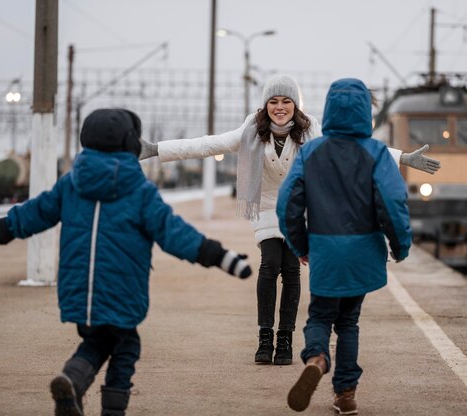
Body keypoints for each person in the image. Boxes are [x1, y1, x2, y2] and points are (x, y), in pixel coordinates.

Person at [0, 108, 252, 416]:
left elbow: (27, 217)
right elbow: (176, 235)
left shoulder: (70, 185)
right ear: (130, 143)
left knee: (98, 341)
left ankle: (73, 378)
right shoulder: (140, 192)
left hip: (78, 291)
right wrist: (222, 257)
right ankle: (109, 409)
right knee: (126, 348)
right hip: (122, 290)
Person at [139, 73, 436, 366]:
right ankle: (265, 336)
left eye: (286, 101)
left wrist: (404, 158)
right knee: (270, 263)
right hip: (268, 205)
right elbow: (206, 144)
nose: (279, 107)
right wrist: (155, 149)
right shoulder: (250, 132)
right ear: (265, 105)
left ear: (296, 105)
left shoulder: (312, 132)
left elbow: (356, 147)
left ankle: (285, 339)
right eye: (273, 101)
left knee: (291, 270)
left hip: (299, 207)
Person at [277, 78, 412, 414]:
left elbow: (286, 205)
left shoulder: (311, 152)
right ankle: (346, 393)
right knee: (349, 322)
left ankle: (318, 358)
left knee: (320, 316)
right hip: (363, 252)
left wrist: (300, 245)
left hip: (324, 249)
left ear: (330, 109)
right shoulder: (377, 152)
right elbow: (393, 202)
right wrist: (400, 245)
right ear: (366, 111)